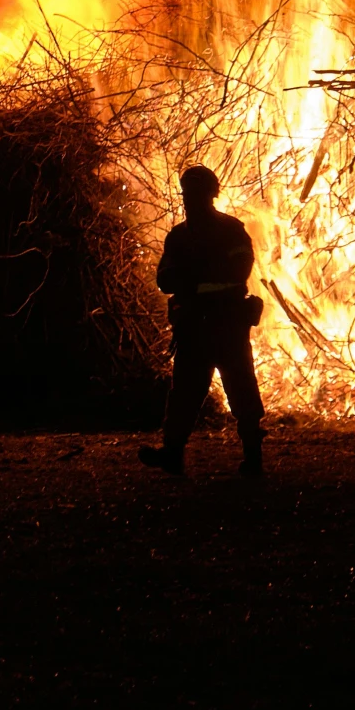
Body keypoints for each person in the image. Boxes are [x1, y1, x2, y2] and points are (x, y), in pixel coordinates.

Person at [139, 164, 265, 477]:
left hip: (225, 324)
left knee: (241, 390)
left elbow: (238, 272)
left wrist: (193, 281)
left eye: (195, 193)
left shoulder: (231, 230)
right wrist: (202, 279)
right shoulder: (179, 236)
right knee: (184, 393)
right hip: (197, 326)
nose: (189, 200)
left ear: (210, 195)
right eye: (187, 194)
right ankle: (172, 454)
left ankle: (253, 458)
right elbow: (165, 280)